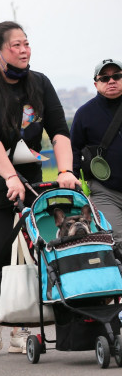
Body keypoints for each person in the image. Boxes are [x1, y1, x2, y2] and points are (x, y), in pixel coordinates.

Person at [0, 22, 80, 353]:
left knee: (33, 249)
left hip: (30, 176)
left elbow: (59, 130)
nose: (24, 49)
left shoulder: (39, 83)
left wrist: (66, 170)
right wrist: (9, 175)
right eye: (16, 45)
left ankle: (20, 323)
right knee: (2, 248)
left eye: (26, 43)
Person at [70, 59, 122, 253]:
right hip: (104, 191)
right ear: (96, 84)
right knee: (116, 239)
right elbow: (73, 149)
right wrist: (71, 177)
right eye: (105, 78)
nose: (111, 81)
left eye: (117, 76)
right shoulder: (84, 113)